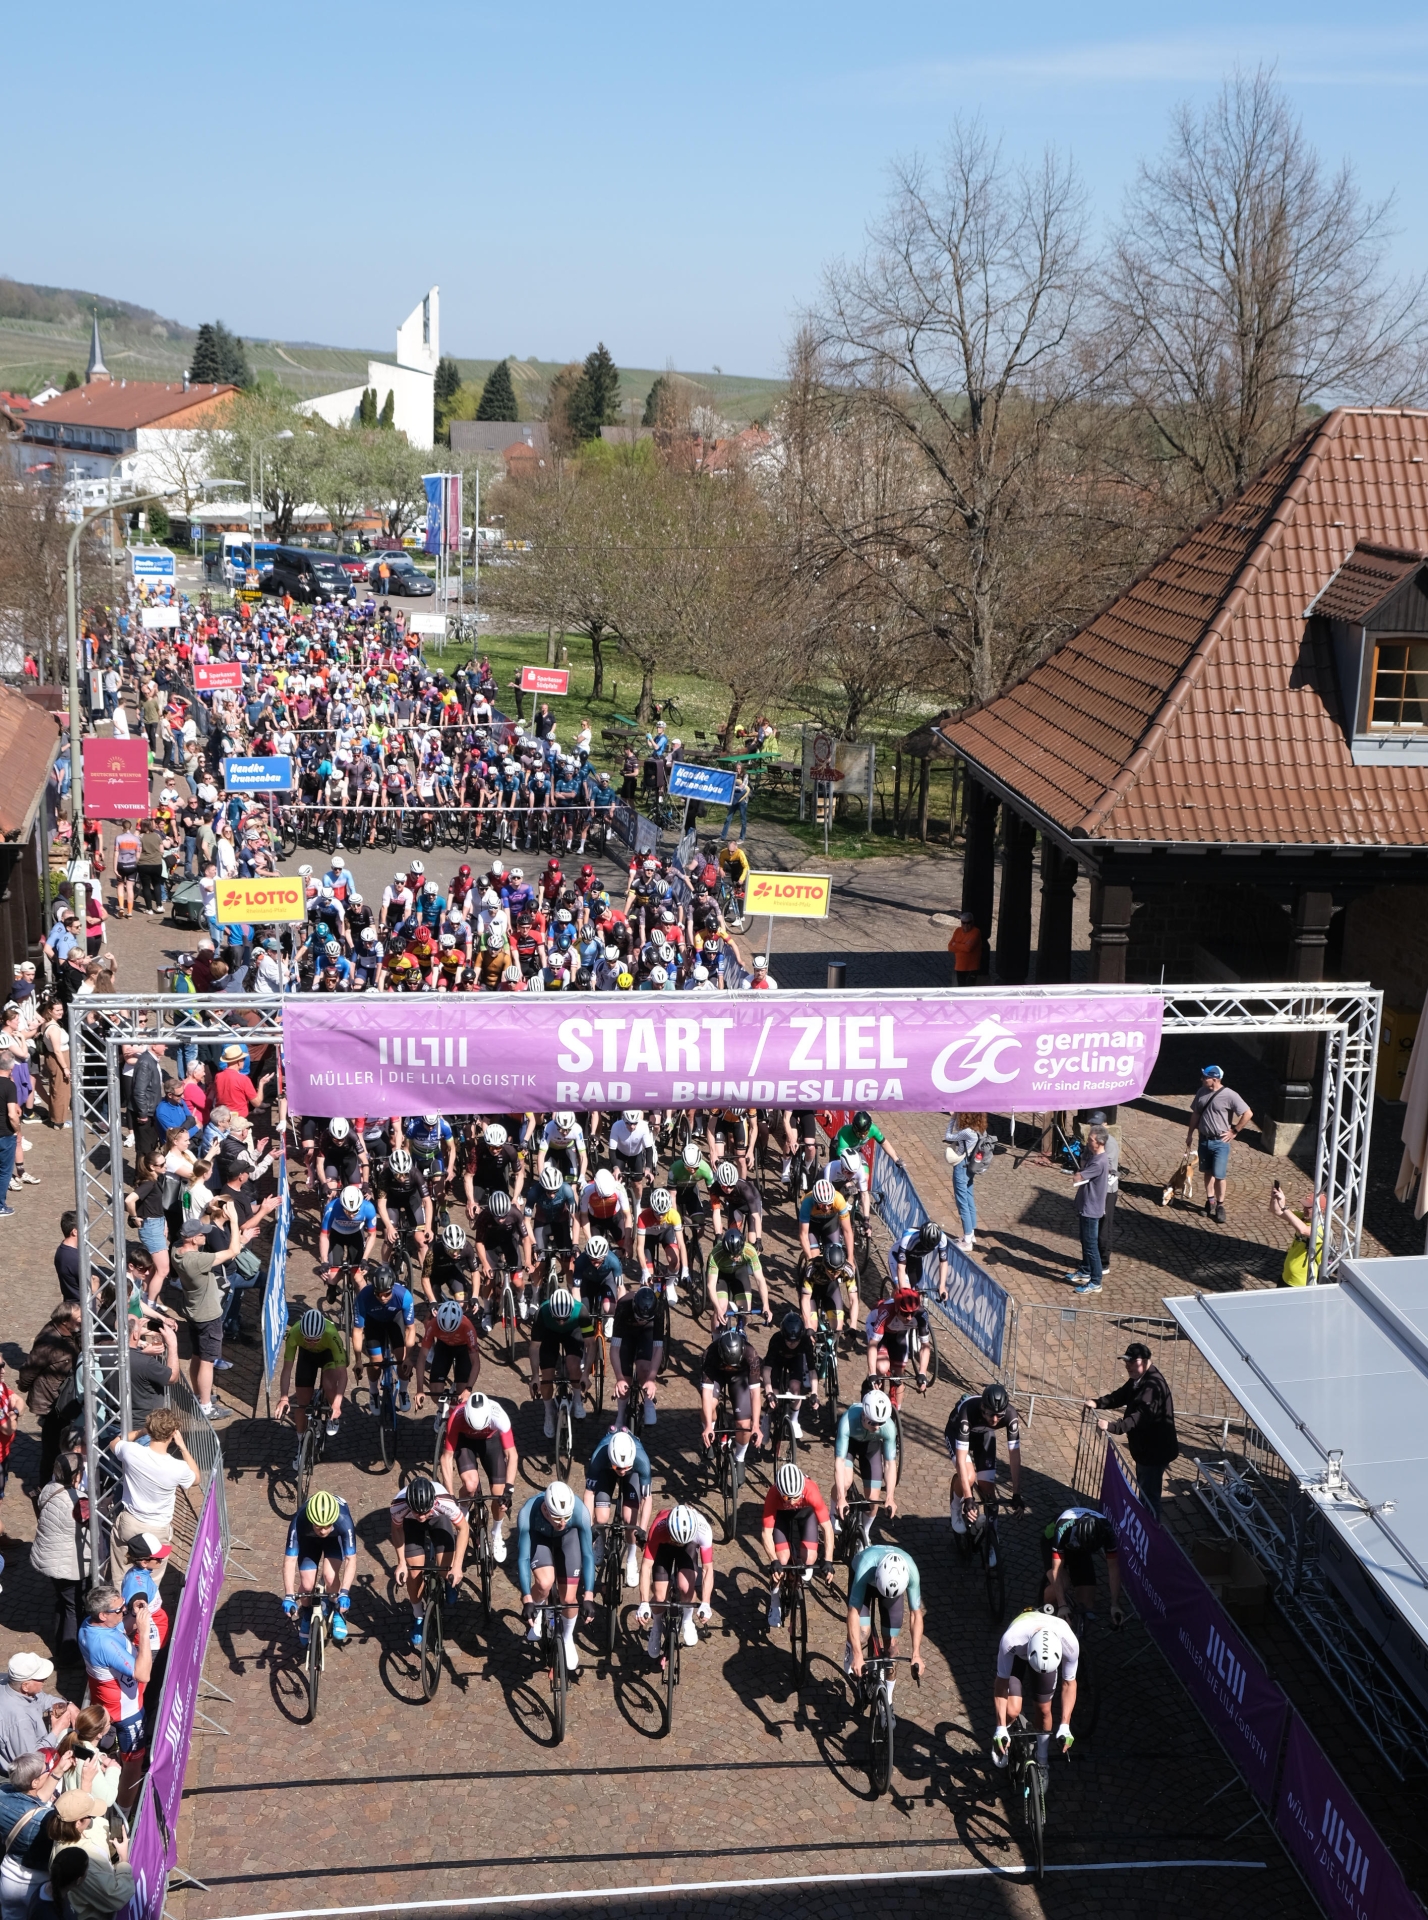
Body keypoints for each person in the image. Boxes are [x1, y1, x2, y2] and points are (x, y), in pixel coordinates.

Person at [1087, 1342, 1179, 1521]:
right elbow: (1121, 1395)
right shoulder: (1140, 1379)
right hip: (1145, 1449)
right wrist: (1098, 1402)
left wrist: (1113, 1427)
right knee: (1146, 1490)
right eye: (1126, 1361)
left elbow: (1139, 1418)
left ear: (1144, 1362)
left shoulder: (1152, 1387)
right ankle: (1145, 1522)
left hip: (1154, 1452)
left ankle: (1151, 1532)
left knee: (1150, 1496)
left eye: (1131, 1361)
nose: (1127, 1365)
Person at [76, 1586, 153, 1796]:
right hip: (126, 1710)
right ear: (102, 1615)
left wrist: (134, 1615)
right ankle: (124, 1812)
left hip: (105, 1702)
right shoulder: (103, 1643)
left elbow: (121, 1629)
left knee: (106, 1740)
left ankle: (106, 1746)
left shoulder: (89, 1625)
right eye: (120, 1610)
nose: (125, 1611)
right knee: (133, 1764)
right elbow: (143, 1674)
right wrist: (144, 1633)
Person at [106, 1410, 198, 1583]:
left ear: (150, 1429)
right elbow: (196, 1479)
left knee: (120, 1576)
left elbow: (115, 1442)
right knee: (151, 1580)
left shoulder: (130, 1451)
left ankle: (121, 1607)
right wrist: (183, 1447)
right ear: (173, 1434)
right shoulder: (178, 1467)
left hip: (130, 1521)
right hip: (157, 1527)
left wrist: (141, 1431)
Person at [515, 1481, 596, 1674]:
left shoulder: (579, 1512)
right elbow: (523, 1558)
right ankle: (540, 1606)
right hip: (539, 1537)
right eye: (557, 1517)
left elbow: (587, 1555)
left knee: (569, 1599)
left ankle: (567, 1638)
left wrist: (589, 1596)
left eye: (566, 1517)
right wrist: (527, 1599)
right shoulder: (528, 1513)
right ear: (545, 1507)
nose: (562, 1523)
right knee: (544, 1582)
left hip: (568, 1540)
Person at [170, 1210, 241, 1418]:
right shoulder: (197, 1260)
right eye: (201, 1234)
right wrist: (234, 1222)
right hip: (208, 1315)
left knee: (197, 1356)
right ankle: (206, 1405)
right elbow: (233, 1250)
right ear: (192, 1239)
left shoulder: (176, 1250)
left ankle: (200, 1395)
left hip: (193, 1312)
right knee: (208, 1360)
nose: (205, 1236)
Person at [389, 1475, 469, 1651]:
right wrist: (401, 1562)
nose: (422, 1516)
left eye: (425, 1511)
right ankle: (418, 1616)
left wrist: (457, 1566)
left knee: (444, 1568)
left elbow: (463, 1529)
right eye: (418, 1512)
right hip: (410, 1525)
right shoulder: (399, 1505)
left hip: (439, 1519)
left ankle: (449, 1584)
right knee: (414, 1573)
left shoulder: (444, 1502)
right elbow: (396, 1530)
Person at [435, 1393, 517, 1563]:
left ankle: (496, 1532)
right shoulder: (457, 1416)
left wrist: (509, 1489)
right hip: (465, 1442)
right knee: (471, 1485)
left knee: (499, 1494)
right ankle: (462, 1513)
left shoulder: (499, 1415)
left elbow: (512, 1455)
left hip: (490, 1441)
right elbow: (446, 1458)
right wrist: (450, 1496)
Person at [760, 1463, 835, 1627]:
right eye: (787, 1498)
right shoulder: (773, 1494)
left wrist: (828, 1560)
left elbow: (827, 1528)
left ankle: (796, 1583)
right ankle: (774, 1602)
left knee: (809, 1558)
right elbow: (766, 1533)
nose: (792, 1502)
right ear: (780, 1491)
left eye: (796, 1497)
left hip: (805, 1513)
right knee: (782, 1558)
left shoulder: (811, 1490)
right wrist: (774, 1560)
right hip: (781, 1516)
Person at [946, 1381, 1023, 1540]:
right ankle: (955, 1508)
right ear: (982, 1408)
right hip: (956, 1433)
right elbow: (961, 1460)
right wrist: (968, 1498)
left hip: (984, 1436)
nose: (995, 1419)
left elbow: (1014, 1457)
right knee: (968, 1476)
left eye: (999, 1415)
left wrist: (1016, 1493)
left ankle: (991, 1535)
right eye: (990, 1414)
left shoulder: (1011, 1415)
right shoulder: (968, 1411)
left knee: (988, 1490)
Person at [274, 1309, 349, 1472]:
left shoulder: (331, 1333)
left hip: (328, 1354)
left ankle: (332, 1416)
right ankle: (301, 1444)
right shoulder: (294, 1333)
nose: (312, 1342)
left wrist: (337, 1403)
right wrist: (284, 1397)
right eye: (308, 1339)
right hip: (306, 1356)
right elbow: (287, 1370)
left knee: (329, 1384)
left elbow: (343, 1375)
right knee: (301, 1405)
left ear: (322, 1333)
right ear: (302, 1333)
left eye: (316, 1339)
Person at [17, 1303, 82, 1490]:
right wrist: (24, 1387)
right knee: (51, 1447)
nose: (81, 1321)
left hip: (66, 1397)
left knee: (63, 1441)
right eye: (78, 1319)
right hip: (51, 1401)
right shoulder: (49, 1341)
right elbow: (30, 1369)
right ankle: (45, 1487)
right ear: (65, 1321)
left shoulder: (71, 1333)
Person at [636, 1504, 713, 1660]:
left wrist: (705, 1602)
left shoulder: (703, 1530)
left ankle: (687, 1619)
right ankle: (657, 1626)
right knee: (659, 1595)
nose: (678, 1544)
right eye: (676, 1541)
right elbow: (646, 1567)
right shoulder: (659, 1527)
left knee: (686, 1586)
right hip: (664, 1545)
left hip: (689, 1545)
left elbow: (707, 1570)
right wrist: (644, 1602)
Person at [281, 1490, 357, 1647]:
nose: (322, 1531)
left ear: (334, 1520)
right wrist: (289, 1594)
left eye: (327, 1526)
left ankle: (337, 1611)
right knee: (307, 1585)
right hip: (309, 1542)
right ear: (311, 1519)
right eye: (318, 1526)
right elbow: (289, 1561)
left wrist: (344, 1592)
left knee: (330, 1576)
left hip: (334, 1541)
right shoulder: (299, 1520)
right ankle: (307, 1614)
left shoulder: (344, 1520)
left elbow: (351, 1560)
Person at [583, 1426, 652, 1590]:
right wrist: (589, 1527)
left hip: (633, 1474)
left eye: (624, 1468)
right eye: (618, 1468)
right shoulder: (599, 1457)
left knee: (630, 1521)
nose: (621, 1471)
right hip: (606, 1470)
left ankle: (631, 1558)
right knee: (600, 1518)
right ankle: (599, 1539)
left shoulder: (641, 1460)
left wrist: (641, 1530)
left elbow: (646, 1499)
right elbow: (589, 1494)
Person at [845, 1543, 924, 1688]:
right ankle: (850, 1648)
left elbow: (915, 1614)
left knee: (891, 1649)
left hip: (891, 1592)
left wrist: (916, 1654)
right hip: (866, 1580)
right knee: (863, 1632)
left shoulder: (911, 1571)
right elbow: (853, 1611)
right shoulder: (865, 1565)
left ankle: (887, 1700)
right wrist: (857, 1654)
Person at [30, 1457, 86, 1658]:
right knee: (73, 1607)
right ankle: (68, 1654)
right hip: (68, 1563)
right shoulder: (79, 1500)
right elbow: (91, 1525)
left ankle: (59, 1641)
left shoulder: (48, 1488)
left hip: (49, 1558)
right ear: (77, 1474)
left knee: (62, 1602)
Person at [1185, 1065, 1253, 1226]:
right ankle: (1210, 1201)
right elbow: (1196, 1113)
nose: (1202, 1079)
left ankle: (1220, 1205)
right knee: (1207, 1172)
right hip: (1204, 1140)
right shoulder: (1201, 1092)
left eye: (1205, 1077)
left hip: (1220, 1142)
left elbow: (1248, 1113)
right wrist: (1189, 1134)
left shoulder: (1230, 1095)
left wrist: (1235, 1131)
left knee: (1219, 1175)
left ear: (1214, 1079)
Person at [832, 1388, 899, 1546]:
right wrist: (842, 1498)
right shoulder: (848, 1421)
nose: (877, 1427)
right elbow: (839, 1463)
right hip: (850, 1446)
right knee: (846, 1482)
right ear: (863, 1415)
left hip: (871, 1448)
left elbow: (890, 1464)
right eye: (872, 1422)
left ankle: (865, 1532)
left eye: (880, 1423)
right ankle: (833, 1512)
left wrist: (890, 1497)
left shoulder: (888, 1427)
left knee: (873, 1502)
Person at [1041, 1507, 1123, 1624]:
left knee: (1087, 1601)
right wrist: (1062, 1605)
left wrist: (1115, 1604)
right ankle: (1043, 1609)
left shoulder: (1107, 1530)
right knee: (1062, 1584)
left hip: (1081, 1547)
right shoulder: (1063, 1528)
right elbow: (1056, 1570)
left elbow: (1114, 1569)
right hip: (1053, 1541)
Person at [0, 1653, 78, 1771]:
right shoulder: (20, 1720)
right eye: (41, 1679)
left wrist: (68, 1705)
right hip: (23, 1776)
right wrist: (56, 1731)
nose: (45, 1680)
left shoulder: (10, 1683)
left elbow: (41, 1698)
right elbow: (32, 1760)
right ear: (25, 1686)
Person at [1065, 1123, 1109, 1297]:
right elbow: (1083, 1164)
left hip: (1092, 1209)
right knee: (1085, 1240)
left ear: (1098, 1142)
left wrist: (1076, 1173)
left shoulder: (1099, 1162)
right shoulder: (1094, 1156)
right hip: (1086, 1206)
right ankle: (1085, 1270)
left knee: (1091, 1246)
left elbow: (1078, 1176)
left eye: (1090, 1139)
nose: (1088, 1141)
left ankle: (1096, 1281)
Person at [1270, 1184, 1327, 1287]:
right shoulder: (1302, 1218)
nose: (1305, 1208)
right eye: (1304, 1205)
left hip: (1301, 1284)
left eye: (1309, 1207)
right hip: (1286, 1278)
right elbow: (1276, 1211)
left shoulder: (1321, 1229)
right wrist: (1275, 1198)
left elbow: (1304, 1230)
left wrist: (1284, 1206)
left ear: (1321, 1210)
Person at [948, 910, 983, 985]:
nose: (966, 925)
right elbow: (950, 947)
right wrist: (963, 945)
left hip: (971, 968)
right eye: (963, 923)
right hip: (959, 966)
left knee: (969, 989)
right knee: (961, 989)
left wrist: (956, 944)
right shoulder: (958, 931)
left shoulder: (976, 932)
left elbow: (968, 948)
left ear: (972, 922)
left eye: (968, 923)